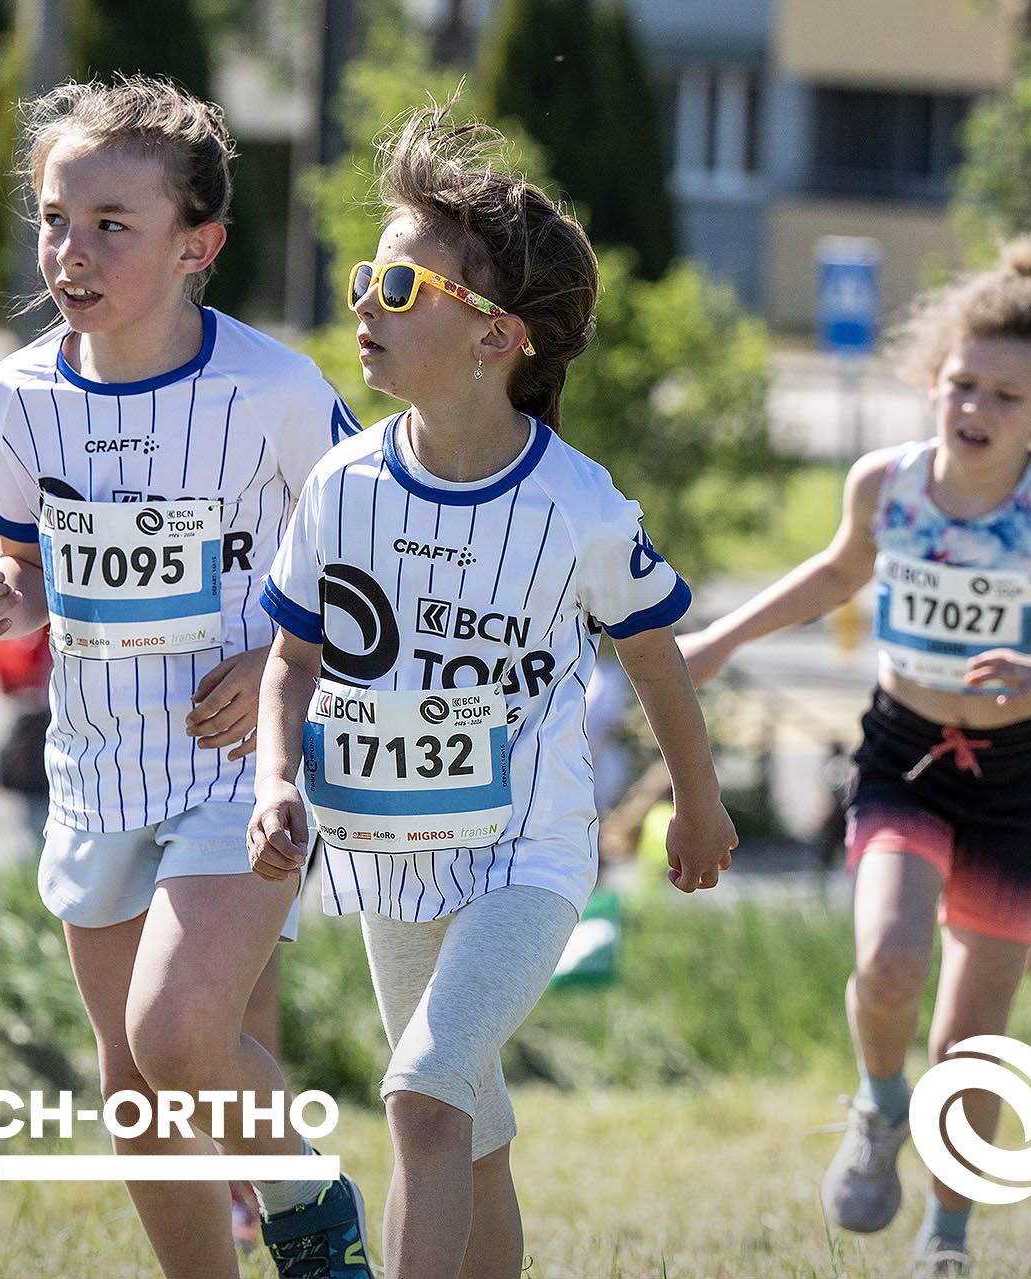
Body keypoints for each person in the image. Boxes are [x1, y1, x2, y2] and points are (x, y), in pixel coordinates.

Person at [248, 105, 737, 1279]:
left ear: (495, 337)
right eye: (366, 278)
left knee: (422, 1097)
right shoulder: (342, 484)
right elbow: (291, 660)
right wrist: (275, 780)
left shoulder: (580, 505)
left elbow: (655, 654)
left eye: (399, 287)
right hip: (391, 857)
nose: (365, 303)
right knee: (469, 1137)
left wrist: (700, 798)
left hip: (529, 857)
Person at [0, 73, 369, 1279]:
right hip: (96, 768)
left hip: (243, 762)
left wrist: (279, 654)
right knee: (137, 1088)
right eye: (54, 220)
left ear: (199, 244)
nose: (70, 251)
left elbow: (372, 557)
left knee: (178, 1031)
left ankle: (311, 1213)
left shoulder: (277, 390)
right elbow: (28, 568)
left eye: (111, 225)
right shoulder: (19, 393)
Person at [680, 235, 1031, 1276]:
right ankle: (882, 1108)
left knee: (971, 1040)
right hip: (904, 754)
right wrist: (718, 641)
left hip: (1016, 781)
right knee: (887, 961)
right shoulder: (885, 485)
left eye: (1007, 396)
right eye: (962, 383)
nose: (977, 407)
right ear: (933, 380)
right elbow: (836, 573)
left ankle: (947, 1240)